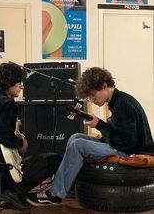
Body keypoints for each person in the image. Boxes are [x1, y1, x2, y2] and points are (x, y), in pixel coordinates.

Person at [26, 66, 154, 206]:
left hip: (130, 152)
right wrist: (99, 128)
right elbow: (120, 133)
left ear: (104, 86)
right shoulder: (118, 101)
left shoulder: (123, 104)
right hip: (124, 146)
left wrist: (99, 125)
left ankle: (55, 194)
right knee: (76, 137)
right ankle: (69, 185)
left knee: (78, 144)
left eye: (93, 94)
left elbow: (126, 142)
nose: (92, 100)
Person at [0, 62, 61, 210]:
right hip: (2, 172)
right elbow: (2, 136)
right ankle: (11, 192)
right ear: (8, 83)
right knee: (55, 159)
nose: (22, 87)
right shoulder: (7, 103)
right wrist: (20, 143)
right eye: (19, 83)